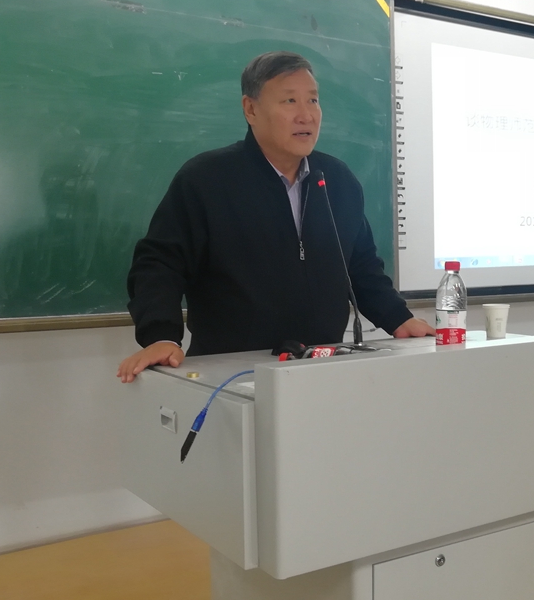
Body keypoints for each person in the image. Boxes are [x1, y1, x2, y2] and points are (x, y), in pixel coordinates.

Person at [117, 51, 435, 382]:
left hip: (323, 366)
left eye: (313, 100)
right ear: (250, 109)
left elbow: (360, 266)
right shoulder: (207, 180)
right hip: (231, 372)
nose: (306, 115)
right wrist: (161, 336)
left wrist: (398, 318)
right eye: (290, 101)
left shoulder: (337, 180)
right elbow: (159, 264)